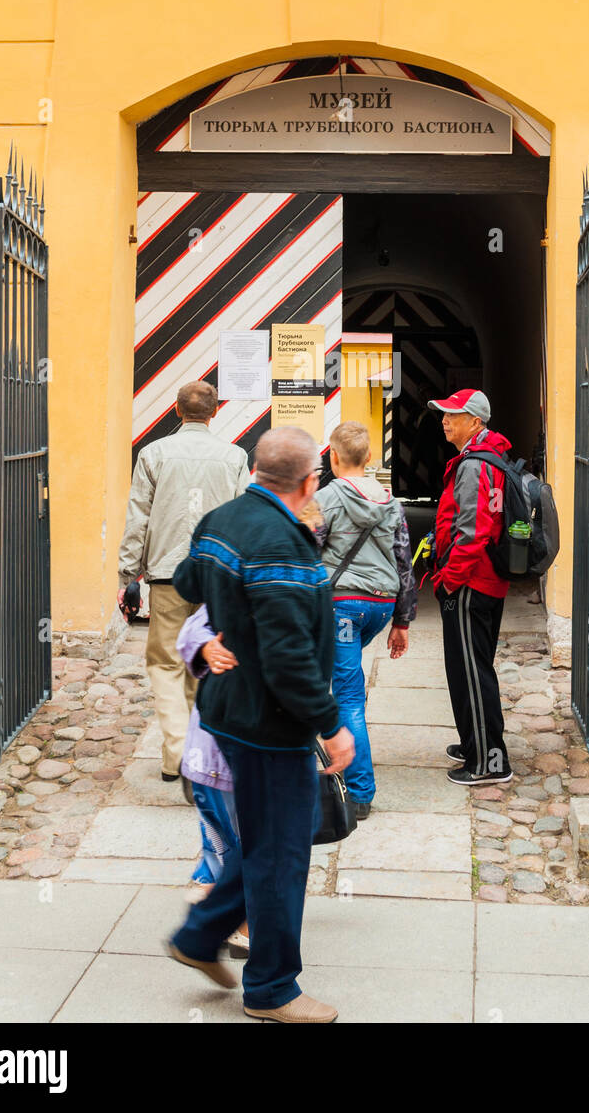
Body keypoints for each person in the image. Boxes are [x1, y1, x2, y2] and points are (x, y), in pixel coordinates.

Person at [166, 426, 354, 1025]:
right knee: (280, 855)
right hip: (268, 725)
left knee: (267, 844)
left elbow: (188, 581)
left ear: (255, 471)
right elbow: (288, 657)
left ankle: (200, 937)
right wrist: (330, 725)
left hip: (226, 711)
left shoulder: (222, 519)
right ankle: (272, 989)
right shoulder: (283, 544)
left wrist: (226, 623)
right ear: (308, 481)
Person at [117, 380, 249, 786]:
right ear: (215, 412)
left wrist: (128, 575)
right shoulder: (234, 457)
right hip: (217, 579)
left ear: (176, 411)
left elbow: (138, 514)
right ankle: (205, 750)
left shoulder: (154, 454)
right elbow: (243, 519)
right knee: (208, 662)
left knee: (165, 663)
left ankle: (176, 751)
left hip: (167, 576)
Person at [310, 420, 416, 818]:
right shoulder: (391, 501)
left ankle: (358, 792)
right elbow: (404, 563)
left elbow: (304, 550)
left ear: (333, 456)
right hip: (380, 606)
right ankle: (330, 760)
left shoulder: (322, 498)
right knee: (344, 683)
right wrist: (402, 622)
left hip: (341, 607)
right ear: (370, 458)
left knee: (347, 695)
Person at [429, 389, 513, 787]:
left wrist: (449, 580)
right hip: (481, 580)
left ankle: (490, 762)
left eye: (453, 414)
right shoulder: (485, 458)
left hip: (470, 582)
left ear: (476, 421)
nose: (445, 419)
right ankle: (475, 743)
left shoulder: (475, 466)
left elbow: (473, 531)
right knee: (468, 669)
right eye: (444, 413)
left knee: (472, 673)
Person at [176, 604, 248, 956]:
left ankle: (216, 914)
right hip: (216, 753)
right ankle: (227, 924)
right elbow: (192, 630)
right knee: (236, 844)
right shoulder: (231, 584)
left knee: (237, 843)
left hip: (234, 753)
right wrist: (206, 646)